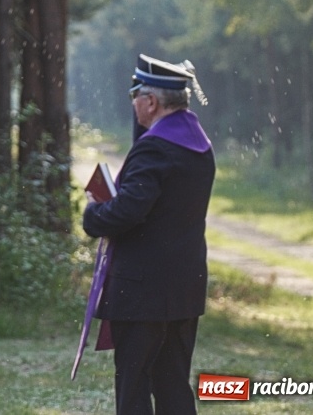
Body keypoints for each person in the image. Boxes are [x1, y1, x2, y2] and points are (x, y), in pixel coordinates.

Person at [82, 54, 214, 415]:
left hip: (143, 289)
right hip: (184, 284)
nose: (133, 104)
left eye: (134, 97)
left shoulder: (155, 147)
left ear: (151, 101)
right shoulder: (197, 144)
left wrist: (94, 213)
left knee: (134, 385)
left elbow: (128, 211)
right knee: (173, 384)